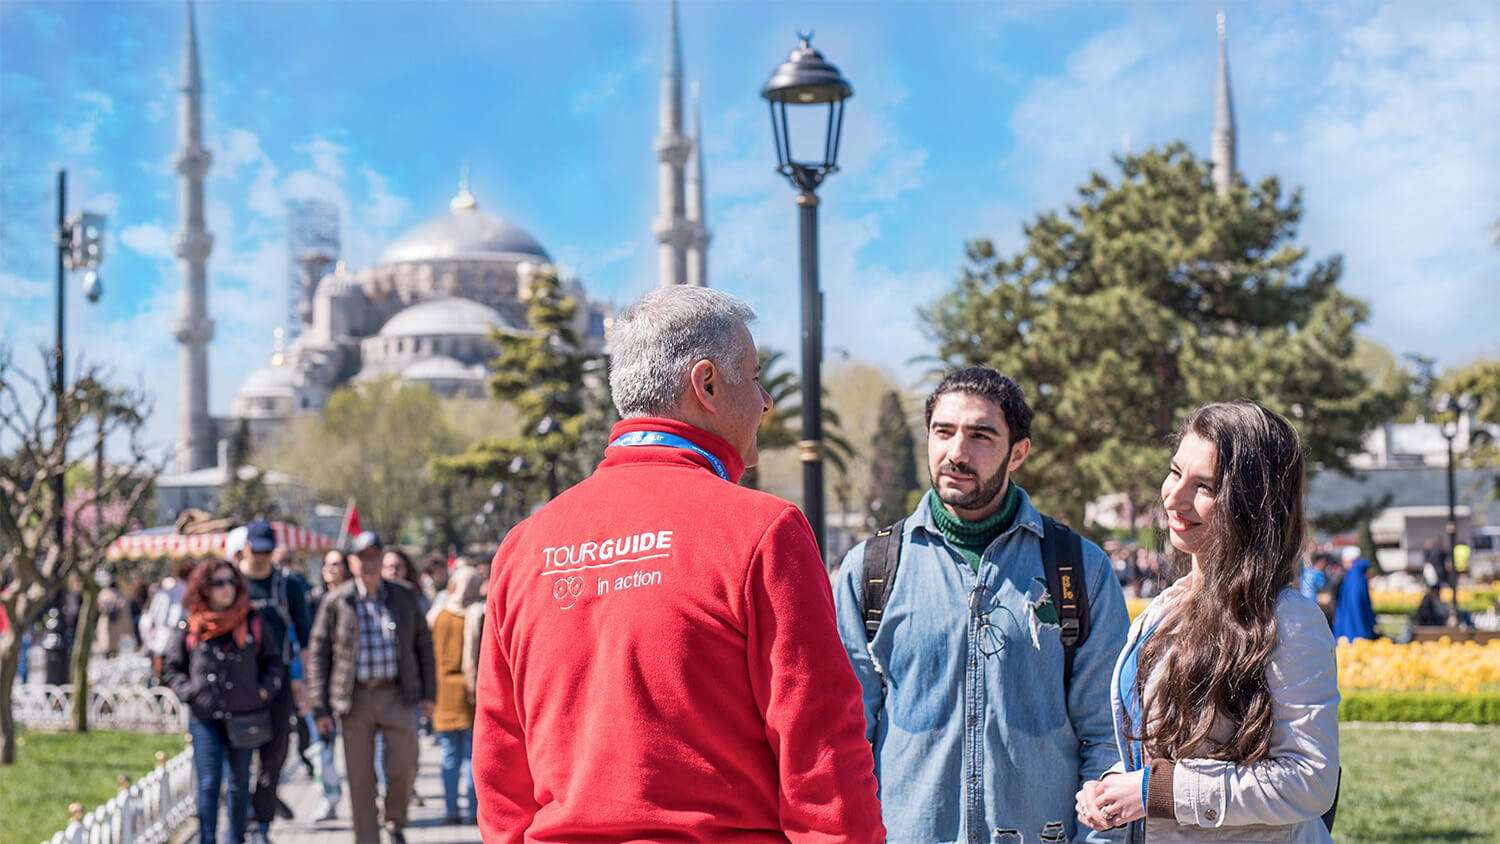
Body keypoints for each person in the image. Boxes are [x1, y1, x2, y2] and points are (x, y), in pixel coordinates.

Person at [473, 286, 883, 842]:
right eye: (755, 377)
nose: (766, 401)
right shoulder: (763, 531)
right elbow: (821, 751)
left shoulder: (524, 547)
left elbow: (501, 774)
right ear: (707, 384)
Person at [833, 366, 1129, 842]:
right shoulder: (870, 570)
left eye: (980, 436)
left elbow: (1107, 735)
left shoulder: (1079, 568)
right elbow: (843, 739)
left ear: (1018, 454)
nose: (955, 452)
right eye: (943, 432)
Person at [1076, 401, 1339, 841]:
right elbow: (1163, 750)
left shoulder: (1289, 621)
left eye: (1205, 486)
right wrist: (1113, 786)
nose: (1174, 498)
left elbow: (1310, 781)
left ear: (1253, 505)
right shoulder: (1166, 606)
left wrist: (1153, 791)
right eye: (1176, 473)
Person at [307, 531, 436, 844]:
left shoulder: (403, 596)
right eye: (362, 557)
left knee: (404, 767)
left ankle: (395, 820)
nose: (369, 563)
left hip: (398, 694)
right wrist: (320, 707)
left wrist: (430, 695)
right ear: (351, 562)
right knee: (360, 778)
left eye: (374, 556)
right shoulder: (338, 601)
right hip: (355, 700)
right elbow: (319, 654)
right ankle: (367, 839)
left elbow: (423, 646)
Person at [162, 561, 285, 844]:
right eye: (218, 583)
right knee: (208, 784)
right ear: (205, 589)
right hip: (206, 717)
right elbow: (169, 667)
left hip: (244, 716)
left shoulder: (250, 620)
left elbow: (274, 662)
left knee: (239, 786)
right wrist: (190, 692)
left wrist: (263, 691)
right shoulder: (192, 624)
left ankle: (236, 839)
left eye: (230, 582)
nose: (226, 589)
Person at [230, 521, 312, 841]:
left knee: (275, 754)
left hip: (278, 682)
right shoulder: (232, 583)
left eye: (267, 550)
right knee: (240, 757)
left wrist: (302, 683)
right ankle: (242, 820)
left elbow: (303, 638)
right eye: (257, 550)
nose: (262, 556)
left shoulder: (287, 585)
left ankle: (262, 820)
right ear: (245, 548)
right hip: (240, 683)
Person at [426, 564, 484, 825]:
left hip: (442, 691)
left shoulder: (437, 615)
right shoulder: (476, 614)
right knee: (472, 757)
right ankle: (473, 811)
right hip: (470, 692)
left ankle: (450, 810)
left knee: (449, 754)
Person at [305, 549, 350, 822]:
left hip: (351, 686)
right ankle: (329, 798)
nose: (332, 568)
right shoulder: (313, 600)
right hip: (322, 684)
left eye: (337, 564)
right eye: (328, 564)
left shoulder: (354, 599)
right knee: (323, 746)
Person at [1333, 548, 1377, 641]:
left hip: (1354, 628)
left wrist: (1358, 629)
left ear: (1349, 561)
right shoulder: (1357, 573)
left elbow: (1355, 603)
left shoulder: (1354, 575)